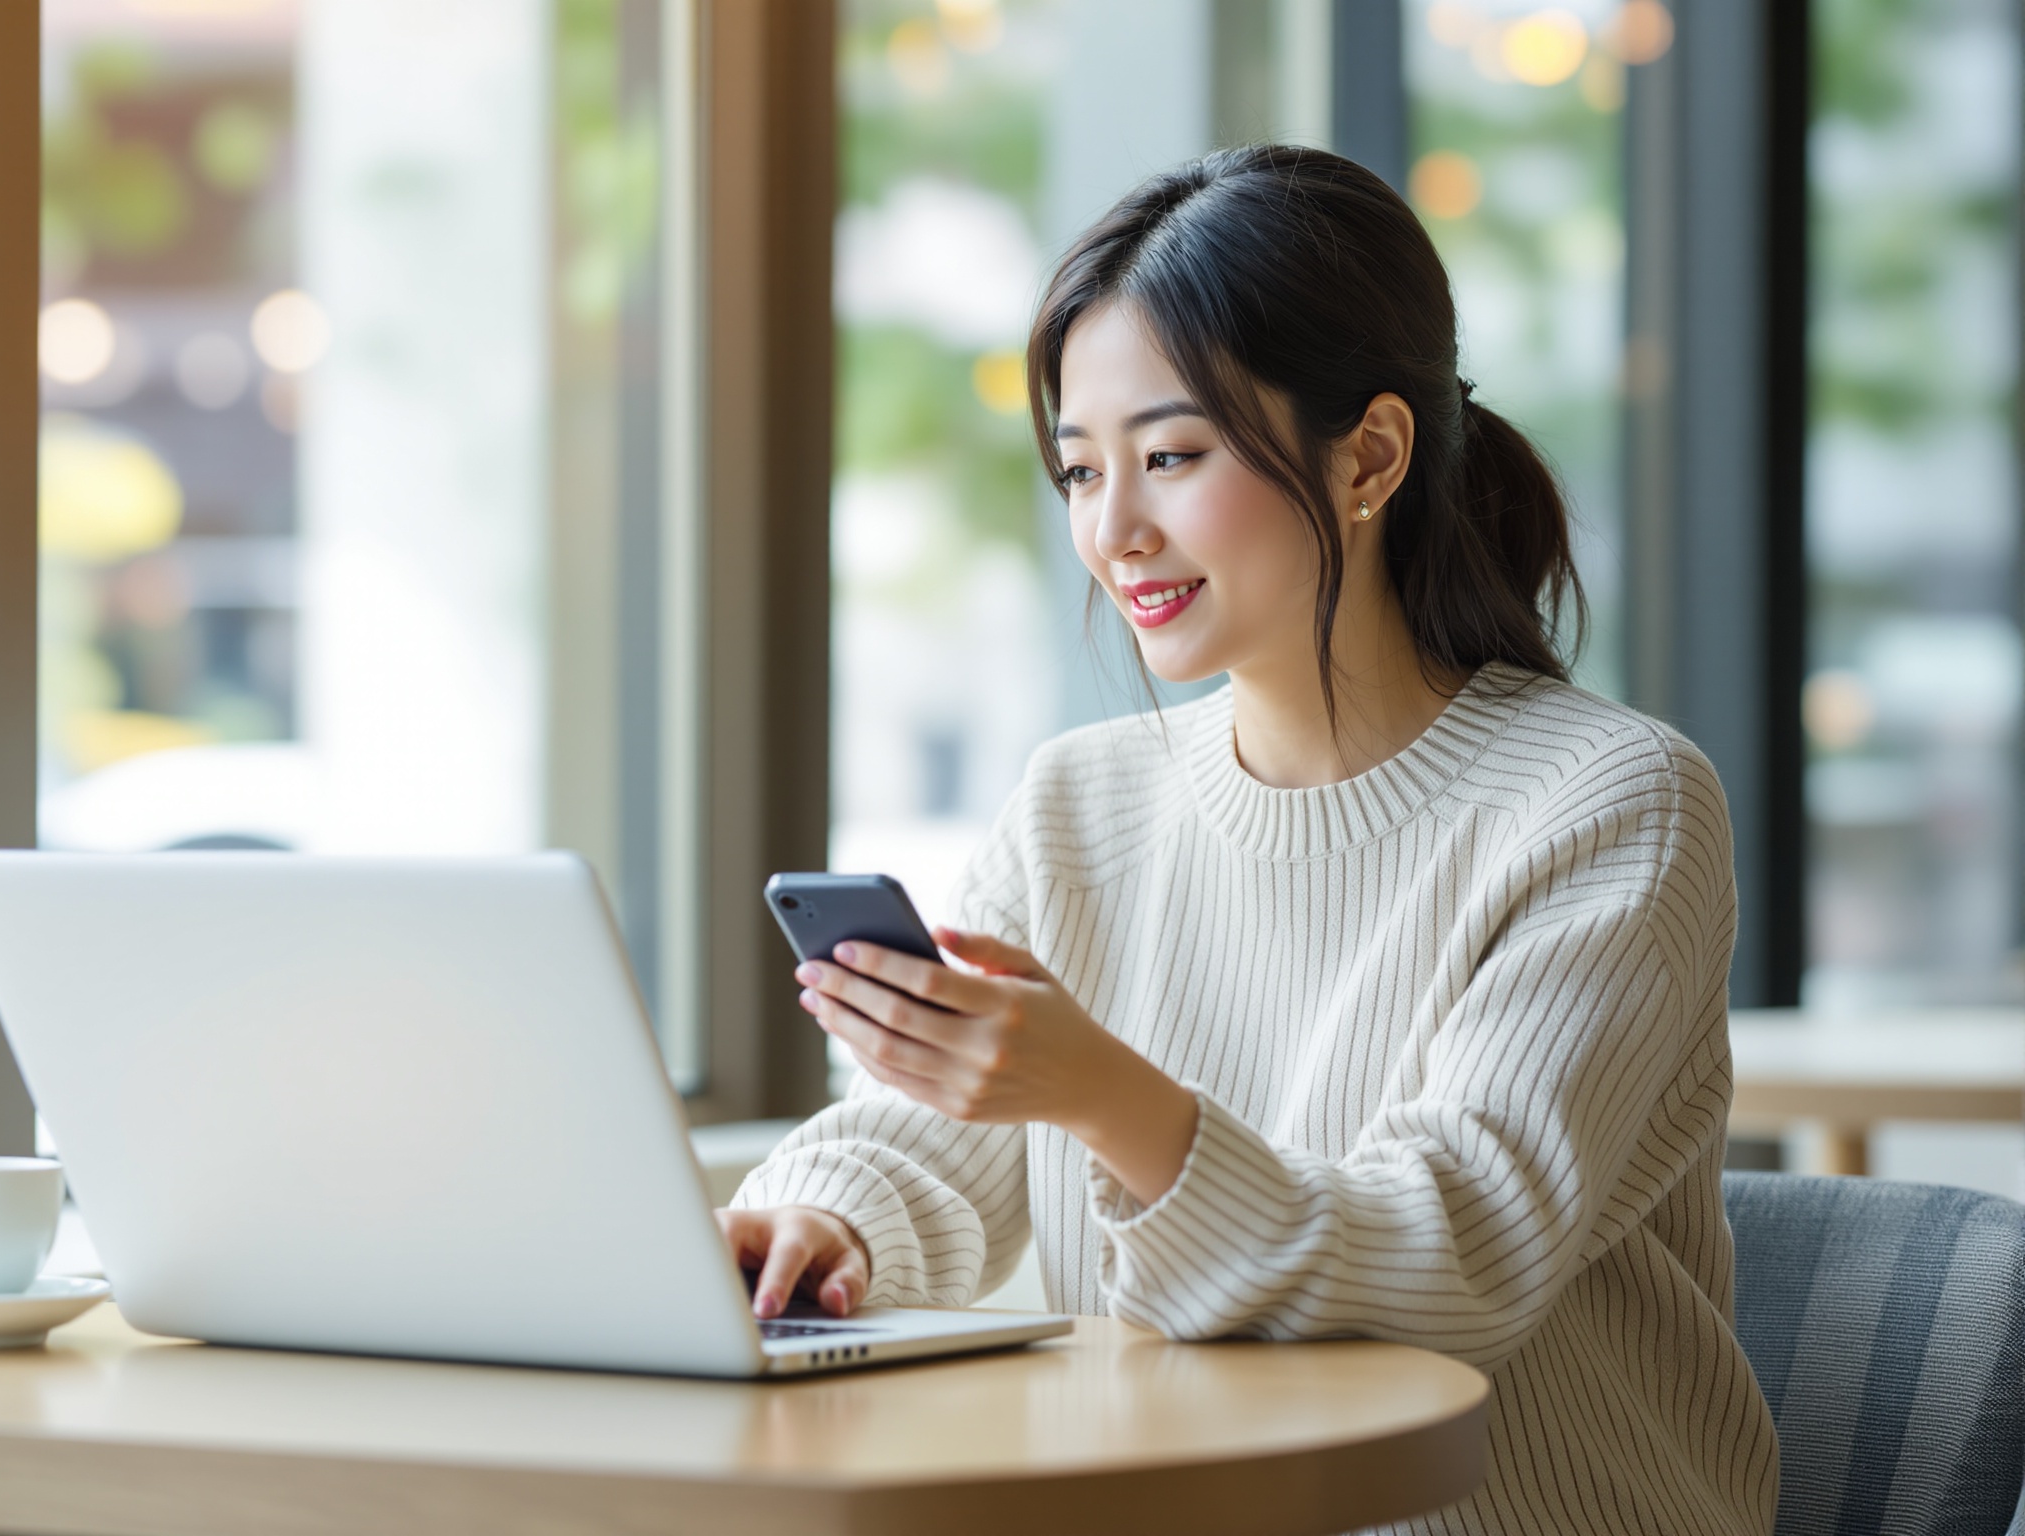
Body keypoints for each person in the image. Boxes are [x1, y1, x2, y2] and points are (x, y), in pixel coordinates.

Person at [720, 145, 1777, 1536]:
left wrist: (1104, 1095)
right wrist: (822, 1224)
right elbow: (935, 1142)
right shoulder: (1078, 803)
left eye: (1170, 457)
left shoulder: (1611, 802)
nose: (1114, 530)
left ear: (1371, 454)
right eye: (1079, 470)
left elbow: (1455, 1260)